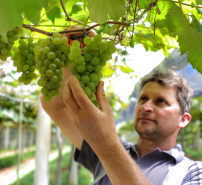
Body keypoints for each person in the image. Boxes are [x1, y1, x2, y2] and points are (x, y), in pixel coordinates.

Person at [40, 27, 202, 184]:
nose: (146, 107)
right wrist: (79, 44)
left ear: (183, 119)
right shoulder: (105, 150)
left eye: (161, 101)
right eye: (143, 99)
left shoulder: (193, 173)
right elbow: (54, 104)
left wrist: (105, 143)